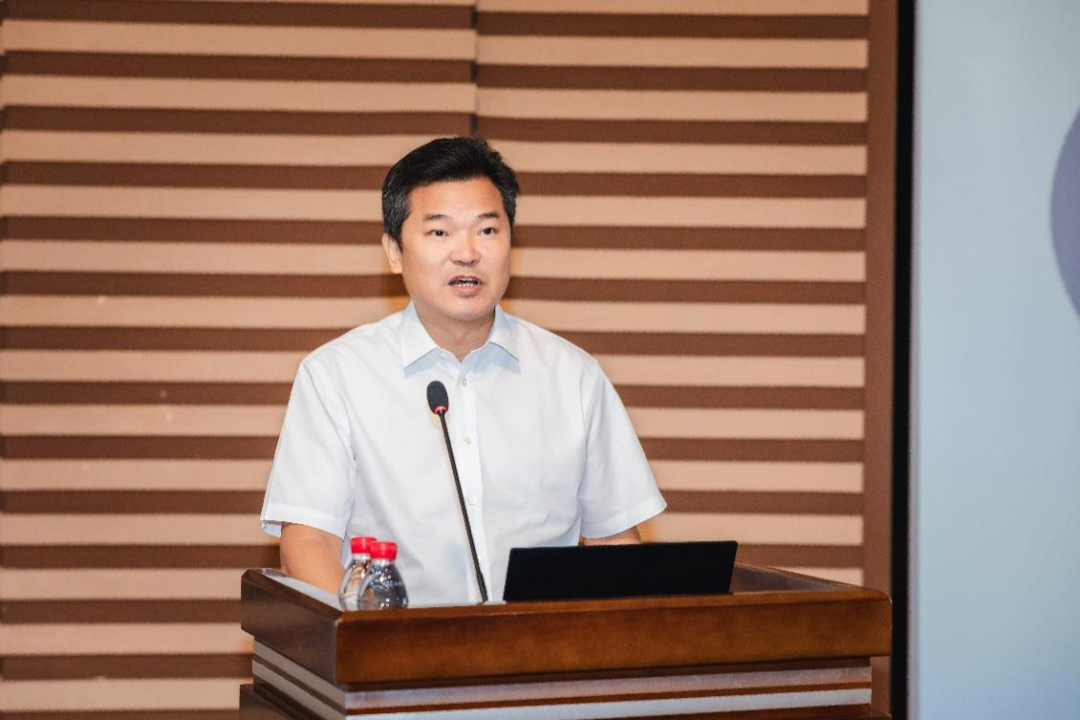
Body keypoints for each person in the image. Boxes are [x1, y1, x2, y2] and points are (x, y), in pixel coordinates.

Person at [260, 137, 666, 604]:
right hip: (392, 647)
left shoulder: (574, 378)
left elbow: (613, 541)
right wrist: (370, 636)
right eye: (440, 233)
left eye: (487, 230)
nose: (467, 253)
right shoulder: (336, 376)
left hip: (541, 647)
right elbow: (307, 543)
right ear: (394, 251)